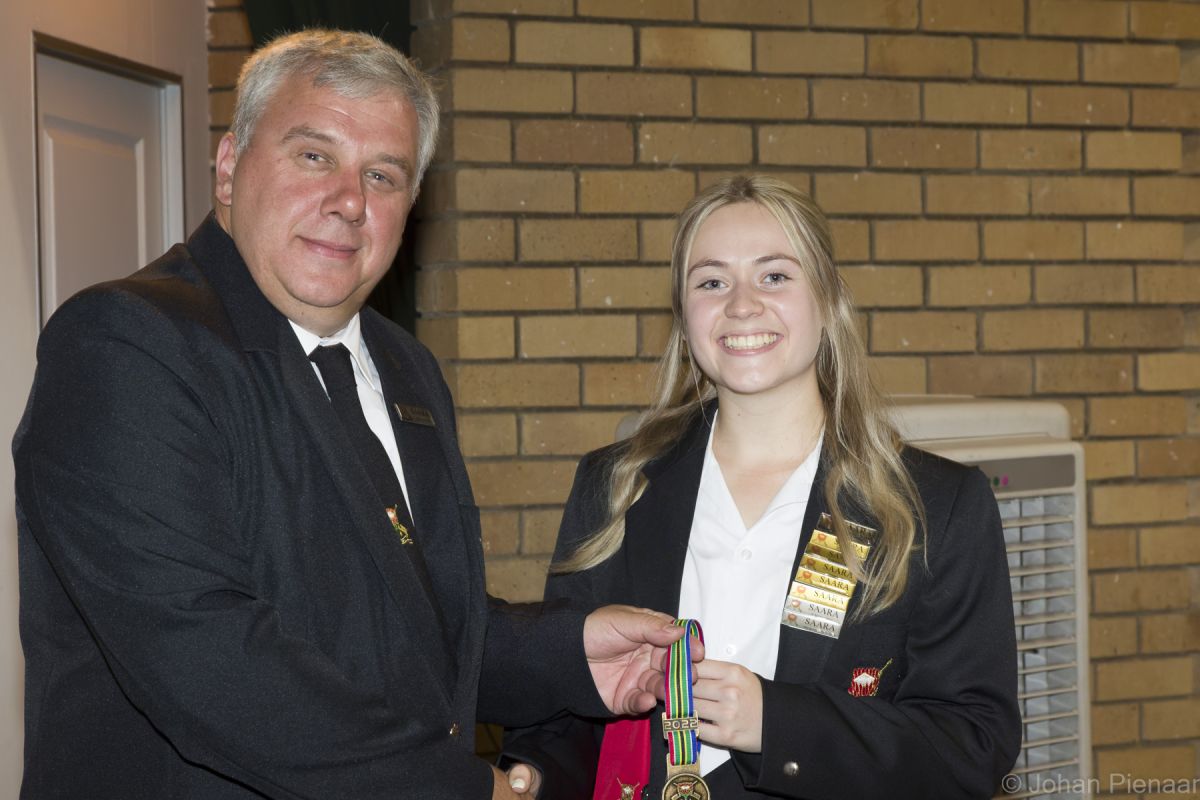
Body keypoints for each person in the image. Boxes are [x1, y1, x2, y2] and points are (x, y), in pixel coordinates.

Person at [14, 29, 691, 800]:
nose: (348, 201)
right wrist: (465, 792)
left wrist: (567, 656)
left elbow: (407, 622)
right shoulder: (127, 345)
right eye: (314, 156)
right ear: (229, 167)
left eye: (382, 174)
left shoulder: (406, 366)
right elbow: (209, 658)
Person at [502, 175, 1022, 799]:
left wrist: (778, 725)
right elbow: (565, 700)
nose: (742, 305)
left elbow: (971, 747)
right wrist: (530, 776)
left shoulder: (936, 506)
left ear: (828, 300)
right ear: (684, 315)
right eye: (711, 282)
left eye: (774, 276)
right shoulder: (614, 487)